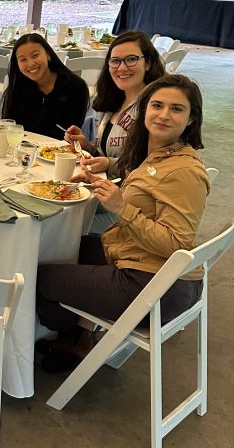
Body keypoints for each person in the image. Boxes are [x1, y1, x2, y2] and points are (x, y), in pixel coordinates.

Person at [36, 74, 210, 373]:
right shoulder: (158, 154)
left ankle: (68, 335)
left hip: (155, 287)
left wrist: (121, 208)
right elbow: (144, 197)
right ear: (144, 110)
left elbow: (177, 245)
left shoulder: (184, 171)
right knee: (57, 249)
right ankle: (82, 333)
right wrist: (100, 187)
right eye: (157, 105)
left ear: (192, 119)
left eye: (177, 109)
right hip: (141, 264)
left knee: (39, 278)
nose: (164, 114)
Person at [65, 31, 165, 177]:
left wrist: (109, 165)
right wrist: (87, 146)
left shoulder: (156, 108)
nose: (122, 68)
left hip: (129, 195)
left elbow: (155, 167)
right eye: (115, 61)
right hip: (102, 184)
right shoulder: (114, 100)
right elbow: (108, 152)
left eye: (131, 59)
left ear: (148, 63)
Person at [0, 33, 90, 139]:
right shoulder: (17, 87)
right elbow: (7, 128)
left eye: (35, 55)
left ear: (48, 54)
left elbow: (71, 133)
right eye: (23, 59)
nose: (30, 63)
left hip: (58, 152)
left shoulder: (76, 87)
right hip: (21, 150)